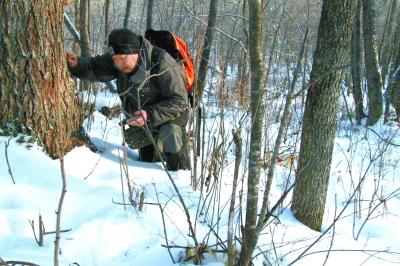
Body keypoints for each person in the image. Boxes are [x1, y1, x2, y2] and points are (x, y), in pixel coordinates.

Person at [66, 28, 191, 171]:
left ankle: (180, 175)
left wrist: (148, 114)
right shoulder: (118, 59)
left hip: (172, 114)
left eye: (123, 58)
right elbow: (94, 66)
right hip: (143, 120)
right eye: (115, 60)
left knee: (171, 133)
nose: (119, 63)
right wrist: (77, 64)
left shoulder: (163, 62)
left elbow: (179, 101)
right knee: (147, 163)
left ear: (135, 51)